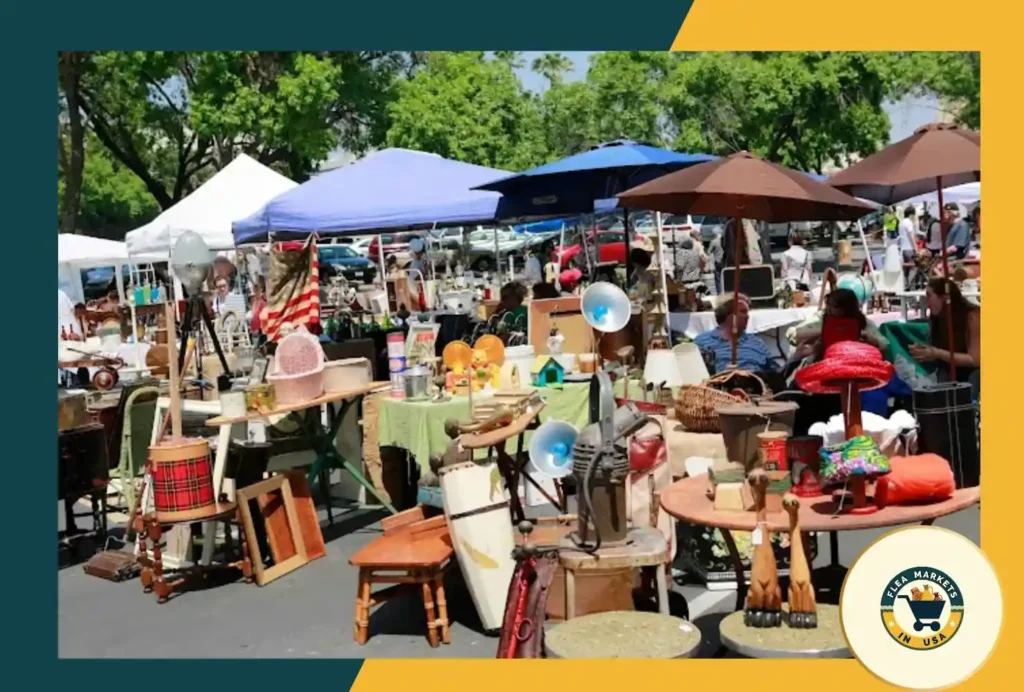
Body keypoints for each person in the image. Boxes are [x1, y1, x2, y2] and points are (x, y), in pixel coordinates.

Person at [910, 277, 980, 395]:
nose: (926, 301)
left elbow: (975, 360)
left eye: (929, 295)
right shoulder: (939, 319)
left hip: (974, 372)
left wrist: (937, 353)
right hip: (952, 370)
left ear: (944, 298)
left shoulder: (973, 317)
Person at [791, 288, 889, 362]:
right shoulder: (821, 318)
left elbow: (884, 344)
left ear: (846, 307)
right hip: (823, 365)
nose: (829, 309)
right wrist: (827, 332)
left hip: (854, 366)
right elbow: (792, 335)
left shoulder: (862, 322)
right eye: (828, 305)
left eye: (834, 306)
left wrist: (863, 336)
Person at [694, 296, 777, 374]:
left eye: (747, 313)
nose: (747, 316)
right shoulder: (702, 342)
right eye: (743, 312)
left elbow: (774, 374)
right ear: (728, 314)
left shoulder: (757, 343)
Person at [707, 228, 724, 294]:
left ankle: (719, 293)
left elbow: (709, 252)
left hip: (717, 261)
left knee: (718, 279)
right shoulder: (725, 240)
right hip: (725, 261)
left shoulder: (713, 242)